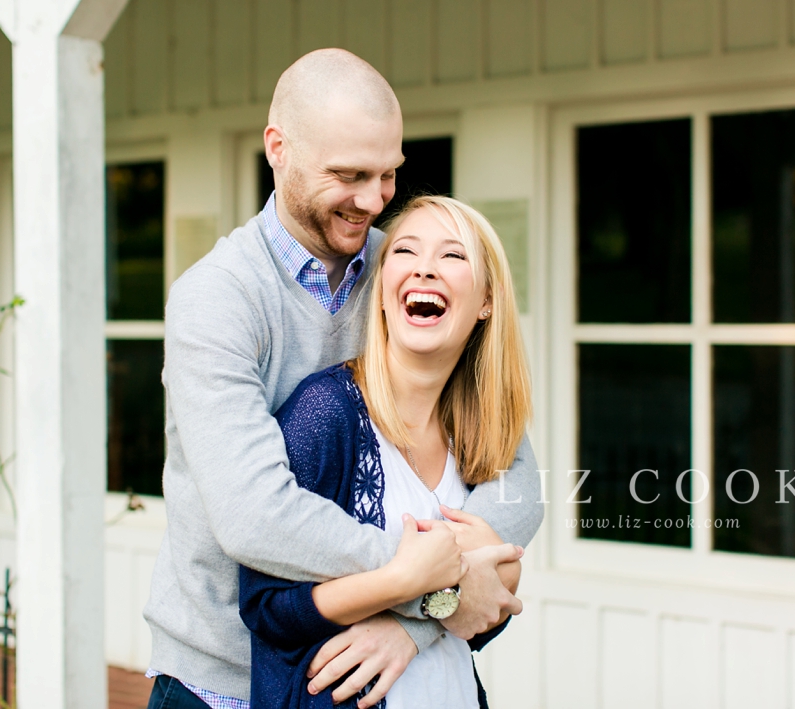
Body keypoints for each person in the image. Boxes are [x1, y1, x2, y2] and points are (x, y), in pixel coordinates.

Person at [145, 49, 543, 709]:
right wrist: (434, 585)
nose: (374, 199)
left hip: (362, 679)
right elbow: (257, 516)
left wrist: (415, 622)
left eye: (388, 174)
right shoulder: (217, 299)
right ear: (278, 148)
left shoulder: (402, 269)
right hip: (224, 679)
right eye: (350, 174)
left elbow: (517, 475)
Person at [240, 195, 530, 708]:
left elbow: (484, 615)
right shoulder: (327, 412)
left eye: (452, 256)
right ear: (380, 292)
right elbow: (267, 608)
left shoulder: (480, 431)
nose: (425, 270)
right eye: (406, 252)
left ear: (486, 300)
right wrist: (413, 585)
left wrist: (417, 623)